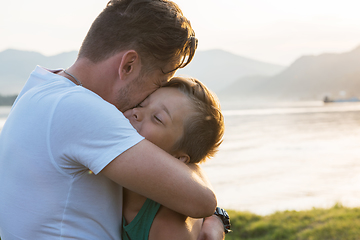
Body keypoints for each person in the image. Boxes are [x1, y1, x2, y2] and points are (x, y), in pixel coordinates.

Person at [0, 0, 225, 239]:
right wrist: (216, 215)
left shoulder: (39, 88)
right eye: (158, 82)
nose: (149, 97)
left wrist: (213, 213)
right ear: (128, 65)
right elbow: (201, 200)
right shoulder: (81, 109)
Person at [121, 76, 229, 240]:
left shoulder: (167, 225)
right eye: (141, 103)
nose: (137, 112)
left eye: (157, 118)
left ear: (179, 159)